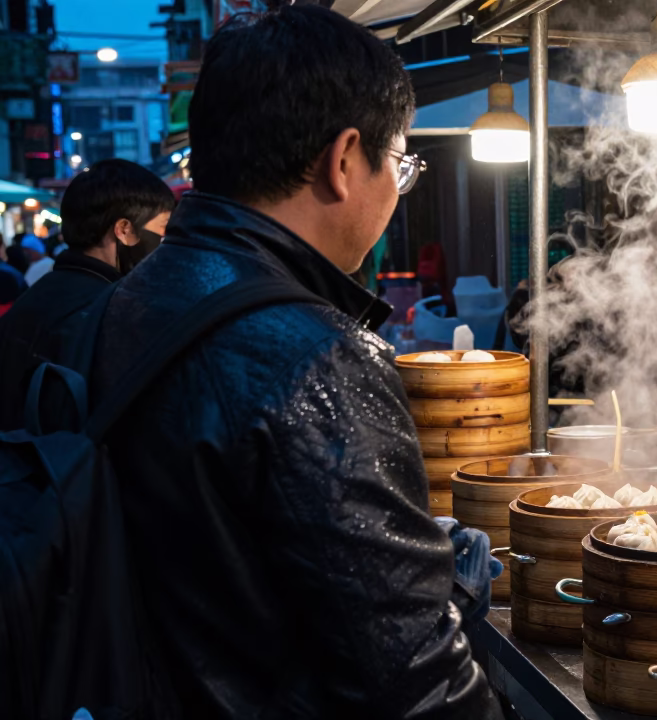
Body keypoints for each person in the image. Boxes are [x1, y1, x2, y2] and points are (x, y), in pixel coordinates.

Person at [87, 6, 499, 719]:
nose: (397, 194)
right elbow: (419, 686)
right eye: (399, 165)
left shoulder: (136, 295)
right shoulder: (317, 355)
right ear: (344, 161)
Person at [0, 159, 174, 431]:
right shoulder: (113, 311)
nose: (164, 243)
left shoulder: (35, 296)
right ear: (125, 230)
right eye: (162, 229)